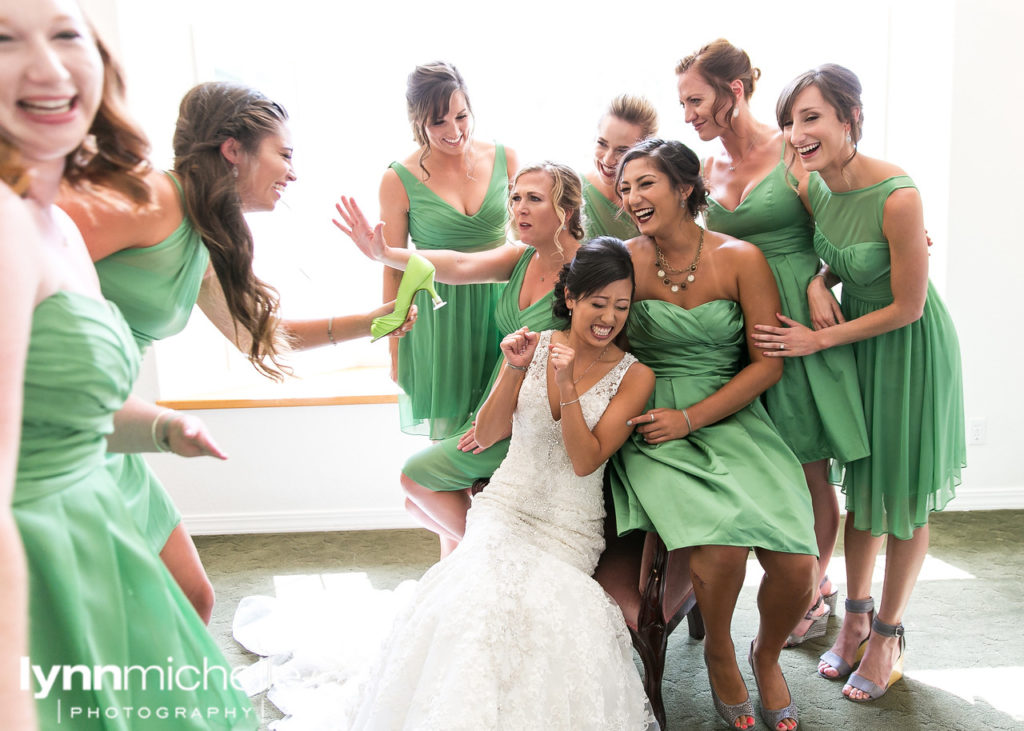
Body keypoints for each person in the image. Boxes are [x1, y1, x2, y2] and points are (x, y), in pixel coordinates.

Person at [235, 238, 657, 727]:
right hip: (505, 508)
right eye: (598, 303)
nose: (608, 318)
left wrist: (564, 386)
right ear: (570, 300)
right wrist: (515, 369)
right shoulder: (535, 343)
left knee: (539, 618)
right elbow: (489, 431)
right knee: (471, 603)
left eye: (621, 307)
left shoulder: (634, 376)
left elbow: (585, 460)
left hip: (568, 528)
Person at [58, 81, 415, 623]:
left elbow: (258, 336)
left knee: (193, 596)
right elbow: (30, 244)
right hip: (54, 418)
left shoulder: (204, 236)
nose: (292, 173)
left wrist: (372, 323)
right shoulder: (153, 197)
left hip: (102, 423)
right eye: (284, 154)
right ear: (233, 149)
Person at [0, 1, 255, 725]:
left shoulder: (49, 220)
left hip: (89, 519)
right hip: (33, 550)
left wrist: (162, 428)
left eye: (64, 34)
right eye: (4, 40)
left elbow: (52, 403)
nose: (47, 66)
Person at [763, 64, 964, 702]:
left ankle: (889, 635)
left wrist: (816, 337)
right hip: (861, 351)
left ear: (850, 118)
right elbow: (833, 252)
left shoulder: (899, 194)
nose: (798, 134)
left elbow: (906, 305)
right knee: (865, 490)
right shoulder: (813, 183)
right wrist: (822, 280)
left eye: (812, 118)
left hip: (908, 349)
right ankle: (852, 616)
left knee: (900, 497)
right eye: (791, 122)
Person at [608, 139, 819, 731]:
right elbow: (600, 336)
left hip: (731, 416)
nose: (632, 198)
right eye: (625, 189)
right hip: (652, 424)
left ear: (683, 186)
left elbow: (766, 364)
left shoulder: (741, 258)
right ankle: (722, 653)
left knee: (797, 566)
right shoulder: (625, 260)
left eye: (645, 184)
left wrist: (694, 417)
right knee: (720, 549)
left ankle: (766, 654)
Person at [676, 39, 870, 645]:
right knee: (764, 463)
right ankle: (798, 575)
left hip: (796, 324)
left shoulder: (793, 148)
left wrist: (820, 277)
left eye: (696, 100)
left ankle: (812, 589)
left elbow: (848, 227)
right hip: (742, 325)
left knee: (809, 465)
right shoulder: (706, 171)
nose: (688, 115)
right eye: (682, 103)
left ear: (734, 91)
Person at [336, 162, 580, 557]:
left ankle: (504, 559)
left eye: (534, 199)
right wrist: (385, 253)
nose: (519, 208)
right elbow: (458, 265)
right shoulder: (522, 257)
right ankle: (494, 559)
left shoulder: (586, 268)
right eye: (515, 198)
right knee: (414, 502)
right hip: (498, 402)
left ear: (566, 211)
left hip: (541, 421)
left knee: (415, 482)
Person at [380, 61, 519, 440]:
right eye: (438, 122)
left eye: (461, 116)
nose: (454, 131)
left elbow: (529, 239)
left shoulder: (506, 159)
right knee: (453, 439)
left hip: (502, 306)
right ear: (417, 121)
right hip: (439, 318)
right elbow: (393, 268)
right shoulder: (398, 179)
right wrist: (393, 344)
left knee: (509, 429)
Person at [583, 94, 658, 240]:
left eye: (622, 150)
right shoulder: (572, 190)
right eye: (602, 143)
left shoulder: (656, 200)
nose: (608, 160)